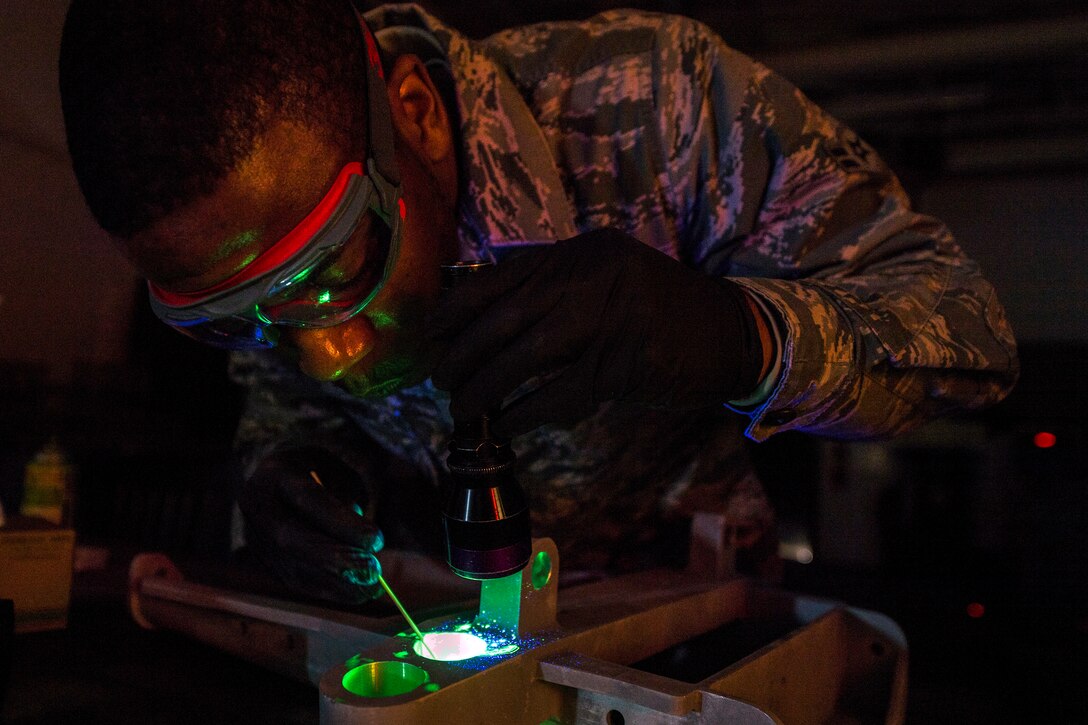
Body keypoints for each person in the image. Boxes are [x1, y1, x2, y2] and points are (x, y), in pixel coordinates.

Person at [58, 1, 1018, 605]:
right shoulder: (267, 245)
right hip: (436, 628)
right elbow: (292, 404)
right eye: (237, 315)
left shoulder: (657, 106)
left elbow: (972, 342)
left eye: (330, 275)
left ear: (416, 116)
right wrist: (285, 473)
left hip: (684, 628)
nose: (328, 355)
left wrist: (739, 335)